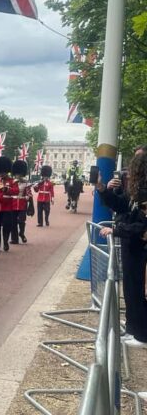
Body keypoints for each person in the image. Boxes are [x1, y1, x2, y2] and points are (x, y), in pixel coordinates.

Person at [98, 147, 147, 348]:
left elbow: (142, 225)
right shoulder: (137, 190)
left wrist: (116, 230)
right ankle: (134, 328)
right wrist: (103, 189)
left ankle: (142, 334)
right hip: (133, 243)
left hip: (139, 244)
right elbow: (121, 205)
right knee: (130, 289)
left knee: (136, 289)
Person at [0, 156, 16, 251]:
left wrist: (7, 189)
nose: (1, 174)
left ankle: (5, 242)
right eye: (0, 172)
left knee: (7, 226)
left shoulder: (12, 181)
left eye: (3, 172)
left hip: (7, 207)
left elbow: (16, 191)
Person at [10, 160, 30, 244]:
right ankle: (14, 239)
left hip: (22, 204)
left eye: (20, 174)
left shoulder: (26, 183)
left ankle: (21, 233)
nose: (18, 175)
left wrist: (27, 197)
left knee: (21, 221)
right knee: (13, 222)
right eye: (17, 174)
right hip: (13, 204)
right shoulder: (11, 182)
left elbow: (29, 193)